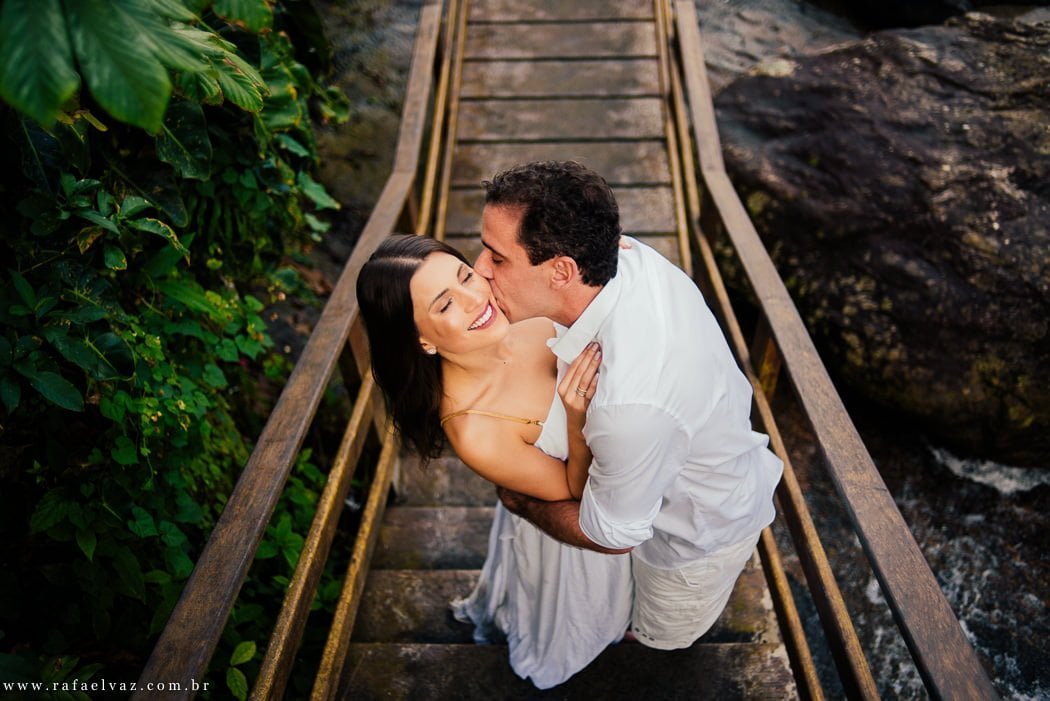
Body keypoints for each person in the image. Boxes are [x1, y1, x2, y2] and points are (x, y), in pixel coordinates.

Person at [473, 160, 784, 651]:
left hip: (692, 535)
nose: (479, 270)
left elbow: (613, 535)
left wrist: (522, 502)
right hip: (658, 462)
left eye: (497, 258)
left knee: (659, 637)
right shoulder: (630, 256)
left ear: (562, 270)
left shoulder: (630, 405)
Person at [356, 234, 632, 689]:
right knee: (590, 603)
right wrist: (578, 415)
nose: (476, 299)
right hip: (575, 523)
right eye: (445, 305)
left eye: (466, 275)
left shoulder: (514, 308)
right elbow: (575, 493)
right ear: (421, 339)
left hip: (629, 466)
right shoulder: (476, 431)